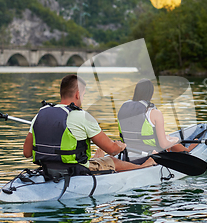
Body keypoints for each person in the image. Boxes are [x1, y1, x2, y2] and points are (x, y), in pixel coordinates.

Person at [23, 74, 155, 175]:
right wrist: (120, 146)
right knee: (112, 160)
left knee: (99, 157)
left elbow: (27, 152)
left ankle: (97, 159)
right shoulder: (82, 116)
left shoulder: (40, 114)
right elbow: (112, 150)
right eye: (84, 95)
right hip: (75, 170)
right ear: (77, 94)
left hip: (47, 169)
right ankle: (143, 167)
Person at [117, 79, 196, 158]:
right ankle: (188, 150)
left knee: (167, 138)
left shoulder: (123, 110)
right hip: (150, 155)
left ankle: (184, 148)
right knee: (171, 141)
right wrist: (175, 140)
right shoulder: (155, 113)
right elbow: (163, 144)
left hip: (127, 154)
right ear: (151, 93)